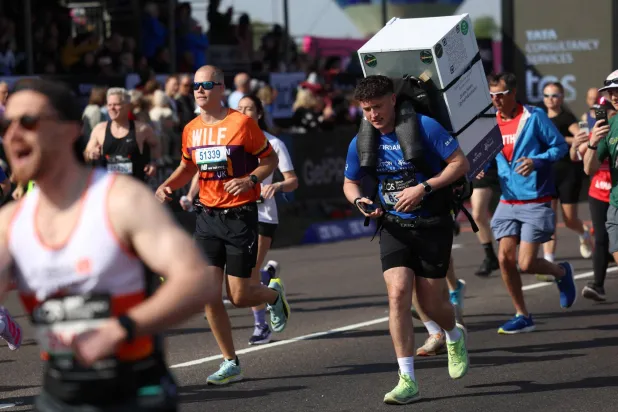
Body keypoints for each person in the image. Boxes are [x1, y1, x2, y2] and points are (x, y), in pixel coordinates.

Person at [0, 79, 219, 411]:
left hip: (134, 393)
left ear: (70, 130)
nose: (13, 134)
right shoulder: (10, 222)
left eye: (28, 122)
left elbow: (197, 279)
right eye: (5, 125)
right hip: (59, 396)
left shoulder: (122, 200)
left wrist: (122, 328)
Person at [155, 65, 290, 385]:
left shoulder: (241, 123)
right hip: (206, 218)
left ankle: (273, 295)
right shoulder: (190, 129)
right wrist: (168, 186)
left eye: (206, 85)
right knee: (208, 295)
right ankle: (230, 361)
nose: (199, 90)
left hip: (241, 216)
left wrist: (249, 180)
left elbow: (269, 161)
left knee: (240, 296)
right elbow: (187, 166)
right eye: (195, 86)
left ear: (221, 89)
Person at [343, 75, 469, 405]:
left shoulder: (425, 127)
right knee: (398, 293)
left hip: (432, 223)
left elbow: (460, 163)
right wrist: (360, 202)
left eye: (379, 107)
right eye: (367, 109)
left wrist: (424, 187)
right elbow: (349, 183)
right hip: (393, 225)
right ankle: (407, 379)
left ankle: (453, 335)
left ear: (393, 101)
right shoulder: (362, 139)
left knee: (431, 304)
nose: (373, 115)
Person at [483, 72, 576, 335]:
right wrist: (480, 167)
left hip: (536, 200)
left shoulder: (534, 117)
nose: (495, 101)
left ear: (513, 93)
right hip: (507, 200)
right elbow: (491, 156)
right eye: (491, 96)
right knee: (504, 259)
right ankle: (523, 315)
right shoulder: (491, 122)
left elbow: (559, 147)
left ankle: (560, 271)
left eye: (500, 95)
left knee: (525, 264)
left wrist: (537, 161)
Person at [538, 82, 592, 283]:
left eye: (555, 95)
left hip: (568, 172)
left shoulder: (566, 118)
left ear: (561, 97)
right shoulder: (539, 117)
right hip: (546, 173)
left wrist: (560, 139)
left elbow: (581, 136)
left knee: (569, 219)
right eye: (547, 95)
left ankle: (583, 232)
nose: (550, 99)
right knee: (548, 219)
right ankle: (549, 260)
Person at [583, 70, 618, 301]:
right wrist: (593, 144)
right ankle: (598, 283)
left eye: (617, 91)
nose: (614, 96)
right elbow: (589, 169)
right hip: (615, 204)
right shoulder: (610, 124)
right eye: (611, 92)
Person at [576, 96, 615, 301]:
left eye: (606, 112)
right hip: (598, 194)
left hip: (615, 194)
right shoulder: (594, 132)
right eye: (598, 112)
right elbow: (579, 158)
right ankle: (598, 285)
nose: (603, 116)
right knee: (600, 239)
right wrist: (583, 143)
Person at [84, 88, 160, 181]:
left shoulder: (142, 129)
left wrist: (153, 162)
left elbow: (156, 145)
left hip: (134, 187)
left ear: (127, 106)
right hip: (108, 188)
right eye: (109, 105)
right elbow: (87, 153)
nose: (112, 108)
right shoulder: (99, 129)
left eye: (116, 105)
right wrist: (91, 153)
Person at [470, 159, 500, 276]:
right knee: (477, 215)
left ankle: (507, 256)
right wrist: (474, 165)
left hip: (503, 168)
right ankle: (490, 257)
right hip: (480, 170)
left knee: (500, 217)